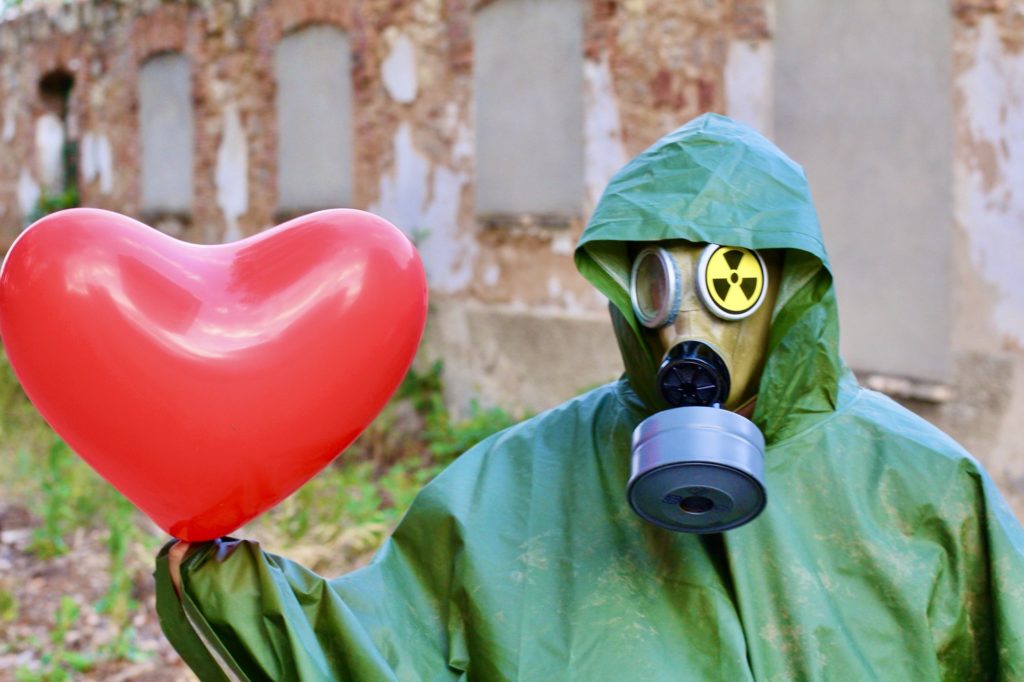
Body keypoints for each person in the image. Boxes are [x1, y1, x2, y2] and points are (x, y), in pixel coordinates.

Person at [155, 114, 1024, 680]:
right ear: (624, 293)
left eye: (730, 283)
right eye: (656, 285)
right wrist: (233, 591)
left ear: (790, 290)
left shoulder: (921, 490)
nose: (688, 325)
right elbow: (386, 650)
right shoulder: (518, 487)